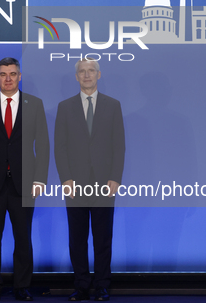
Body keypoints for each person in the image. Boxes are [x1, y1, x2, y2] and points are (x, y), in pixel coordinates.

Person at [0, 57, 49, 301]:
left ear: (19, 76)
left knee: (23, 238)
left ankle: (21, 286)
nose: (8, 78)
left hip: (25, 184)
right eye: (3, 74)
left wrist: (40, 180)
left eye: (12, 74)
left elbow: (44, 145)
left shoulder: (34, 104)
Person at [54, 59, 125, 301]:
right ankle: (82, 284)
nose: (86, 75)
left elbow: (119, 146)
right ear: (76, 77)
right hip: (75, 184)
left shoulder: (113, 105)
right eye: (82, 72)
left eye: (91, 71)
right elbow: (60, 147)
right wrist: (65, 179)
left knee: (103, 238)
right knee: (78, 238)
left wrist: (116, 177)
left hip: (105, 184)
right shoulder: (64, 107)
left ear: (99, 75)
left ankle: (103, 285)